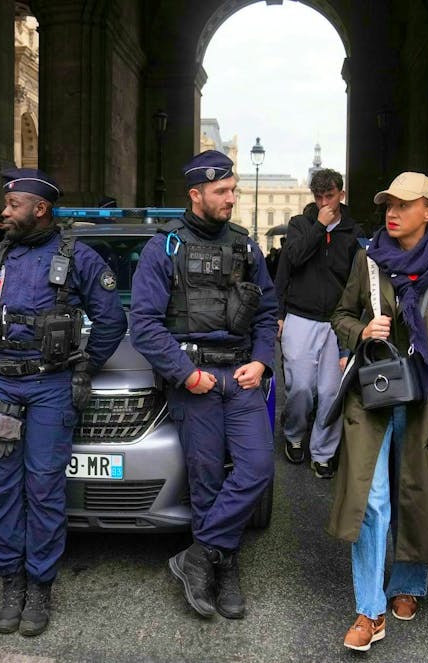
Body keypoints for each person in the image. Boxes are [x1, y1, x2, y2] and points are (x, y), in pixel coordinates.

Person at [0, 167, 126, 637]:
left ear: (40, 209)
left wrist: (83, 368)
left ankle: (39, 586)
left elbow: (110, 321)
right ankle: (10, 583)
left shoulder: (79, 257)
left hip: (52, 388)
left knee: (43, 489)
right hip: (2, 389)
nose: (4, 212)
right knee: (2, 489)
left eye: (12, 205)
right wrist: (0, 356)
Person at [328, 172, 428, 651]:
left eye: (404, 204)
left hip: (427, 401)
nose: (391, 212)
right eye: (388, 204)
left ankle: (408, 584)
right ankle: (368, 611)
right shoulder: (367, 261)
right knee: (373, 502)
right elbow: (340, 316)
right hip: (373, 399)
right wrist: (362, 331)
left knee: (417, 489)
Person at [129, 150, 277, 620]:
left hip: (241, 376)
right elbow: (145, 324)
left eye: (233, 189)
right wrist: (185, 374)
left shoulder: (247, 247)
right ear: (196, 195)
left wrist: (261, 361)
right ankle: (223, 567)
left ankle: (199, 555)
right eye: (222, 192)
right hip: (196, 380)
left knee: (257, 469)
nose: (232, 198)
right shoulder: (163, 249)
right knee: (207, 479)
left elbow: (269, 313)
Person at [275, 169, 364, 478]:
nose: (325, 202)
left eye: (330, 195)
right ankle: (294, 435)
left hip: (337, 321)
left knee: (330, 392)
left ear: (341, 193)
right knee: (300, 386)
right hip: (300, 314)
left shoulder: (353, 232)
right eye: (319, 196)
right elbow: (292, 261)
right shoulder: (300, 225)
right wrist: (278, 312)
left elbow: (357, 281)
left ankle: (323, 453)